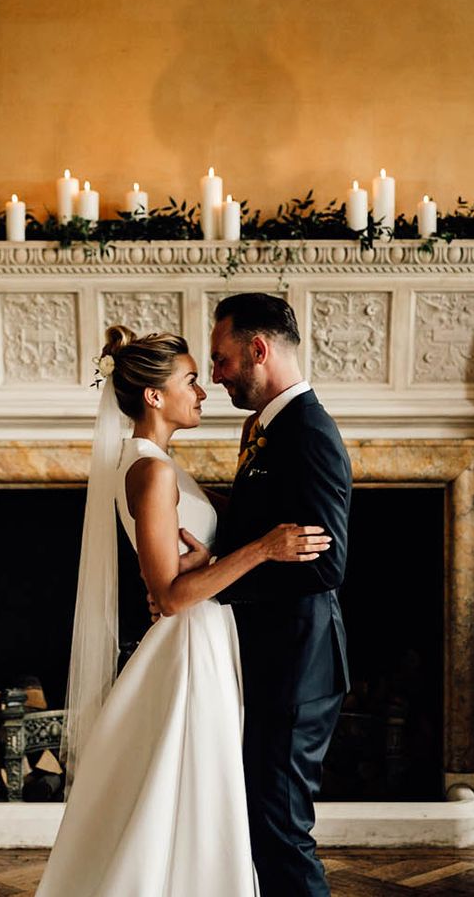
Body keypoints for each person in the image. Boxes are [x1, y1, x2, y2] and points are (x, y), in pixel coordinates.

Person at [35, 326, 330, 897]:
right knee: (193, 793)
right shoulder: (150, 470)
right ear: (153, 396)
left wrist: (220, 554)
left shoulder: (162, 465)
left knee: (194, 794)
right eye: (190, 380)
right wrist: (263, 550)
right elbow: (168, 595)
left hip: (208, 641)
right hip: (189, 650)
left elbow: (198, 553)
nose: (202, 391)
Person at [206, 292, 352, 897]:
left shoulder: (308, 432)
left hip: (300, 665)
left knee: (282, 830)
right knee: (266, 825)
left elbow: (325, 565)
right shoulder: (266, 427)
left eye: (221, 360)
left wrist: (218, 578)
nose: (214, 375)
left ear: (257, 350)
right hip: (274, 661)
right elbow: (265, 525)